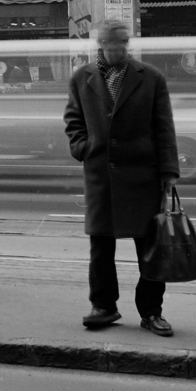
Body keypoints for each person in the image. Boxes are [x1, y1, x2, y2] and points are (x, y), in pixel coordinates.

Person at [63, 19, 180, 337]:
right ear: (99, 46)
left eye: (122, 46)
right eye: (110, 46)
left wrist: (169, 171)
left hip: (143, 175)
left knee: (151, 248)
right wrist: (83, 147)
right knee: (100, 248)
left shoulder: (150, 78)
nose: (117, 51)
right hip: (101, 176)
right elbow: (73, 119)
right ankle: (103, 307)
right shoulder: (81, 78)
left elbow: (164, 127)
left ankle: (152, 312)